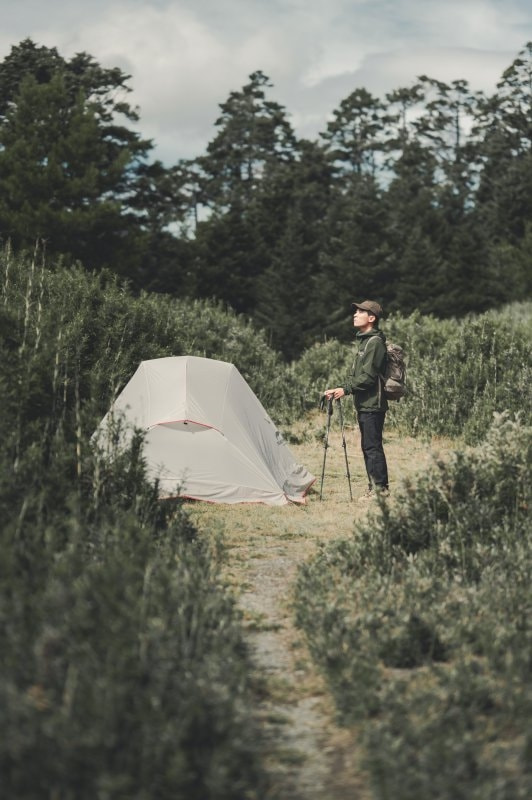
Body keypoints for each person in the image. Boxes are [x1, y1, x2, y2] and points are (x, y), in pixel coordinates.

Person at [324, 299, 389, 495]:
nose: (355, 314)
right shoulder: (364, 342)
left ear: (371, 318)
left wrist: (345, 390)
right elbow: (358, 377)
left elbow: (368, 378)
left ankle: (379, 490)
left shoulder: (374, 343)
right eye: (356, 311)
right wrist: (340, 388)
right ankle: (376, 488)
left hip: (373, 404)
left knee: (372, 447)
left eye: (360, 312)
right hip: (365, 404)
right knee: (368, 446)